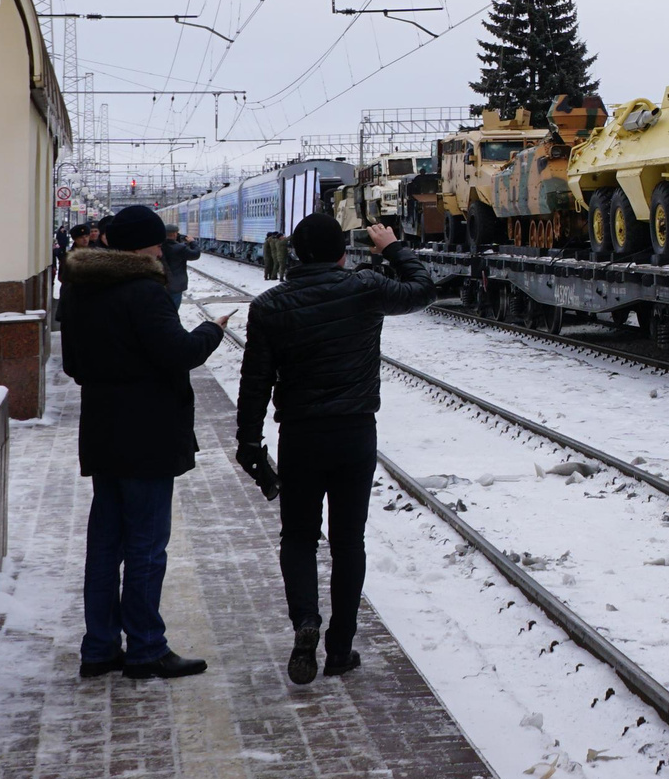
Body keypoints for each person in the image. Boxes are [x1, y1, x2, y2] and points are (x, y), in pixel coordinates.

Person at [236, 211, 434, 684]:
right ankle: (340, 649)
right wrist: (391, 247)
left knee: (300, 537)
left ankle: (306, 621)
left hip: (301, 436)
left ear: (295, 253)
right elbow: (423, 289)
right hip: (354, 433)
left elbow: (255, 381)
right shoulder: (365, 288)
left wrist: (248, 439)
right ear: (344, 254)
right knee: (349, 542)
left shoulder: (269, 306)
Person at [58, 204, 231, 680]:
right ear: (141, 247)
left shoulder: (77, 290)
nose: (163, 250)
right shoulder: (144, 292)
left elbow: (72, 364)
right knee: (146, 547)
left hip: (102, 433)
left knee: (104, 545)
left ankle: (98, 648)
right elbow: (178, 354)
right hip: (148, 435)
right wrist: (211, 331)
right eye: (157, 243)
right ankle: (145, 649)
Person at [163, 227, 202, 298]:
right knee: (173, 307)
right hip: (176, 285)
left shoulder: (159, 246)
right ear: (175, 234)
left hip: (161, 283)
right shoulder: (180, 248)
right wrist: (193, 242)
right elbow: (195, 254)